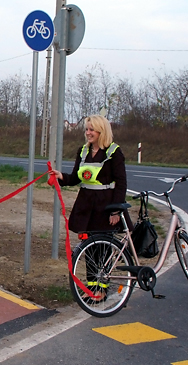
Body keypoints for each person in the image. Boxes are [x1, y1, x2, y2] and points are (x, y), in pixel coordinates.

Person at [48, 114, 130, 300]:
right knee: (89, 250)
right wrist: (61, 177)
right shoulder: (83, 151)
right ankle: (93, 289)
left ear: (101, 131)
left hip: (106, 207)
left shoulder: (114, 152)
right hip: (87, 207)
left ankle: (102, 289)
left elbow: (122, 183)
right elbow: (77, 178)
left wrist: (116, 210)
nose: (88, 133)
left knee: (102, 251)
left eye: (92, 129)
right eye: (87, 129)